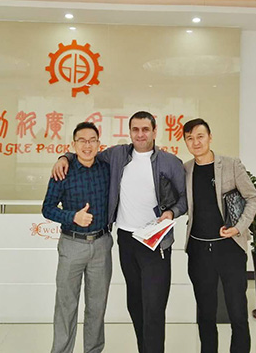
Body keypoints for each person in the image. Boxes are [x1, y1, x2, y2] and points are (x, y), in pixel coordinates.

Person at [52, 111, 187, 353]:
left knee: (154, 307)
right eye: (135, 129)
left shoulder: (170, 162)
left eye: (145, 129)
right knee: (135, 303)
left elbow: (185, 199)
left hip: (155, 242)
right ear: (130, 132)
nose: (140, 134)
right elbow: (87, 153)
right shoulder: (117, 155)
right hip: (127, 239)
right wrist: (64, 157)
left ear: (154, 131)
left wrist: (172, 212)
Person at [182, 118, 256, 353]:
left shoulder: (231, 165)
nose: (196, 142)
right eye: (190, 138)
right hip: (199, 250)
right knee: (205, 314)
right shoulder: (185, 169)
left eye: (200, 136)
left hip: (230, 248)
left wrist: (239, 227)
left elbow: (253, 198)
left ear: (210, 137)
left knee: (237, 311)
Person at [42, 121, 112, 353]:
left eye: (92, 140)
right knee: (66, 305)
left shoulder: (106, 168)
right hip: (72, 245)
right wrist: (73, 217)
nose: (87, 145)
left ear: (99, 144)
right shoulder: (63, 171)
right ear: (73, 145)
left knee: (97, 307)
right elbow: (47, 208)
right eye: (82, 141)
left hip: (101, 245)